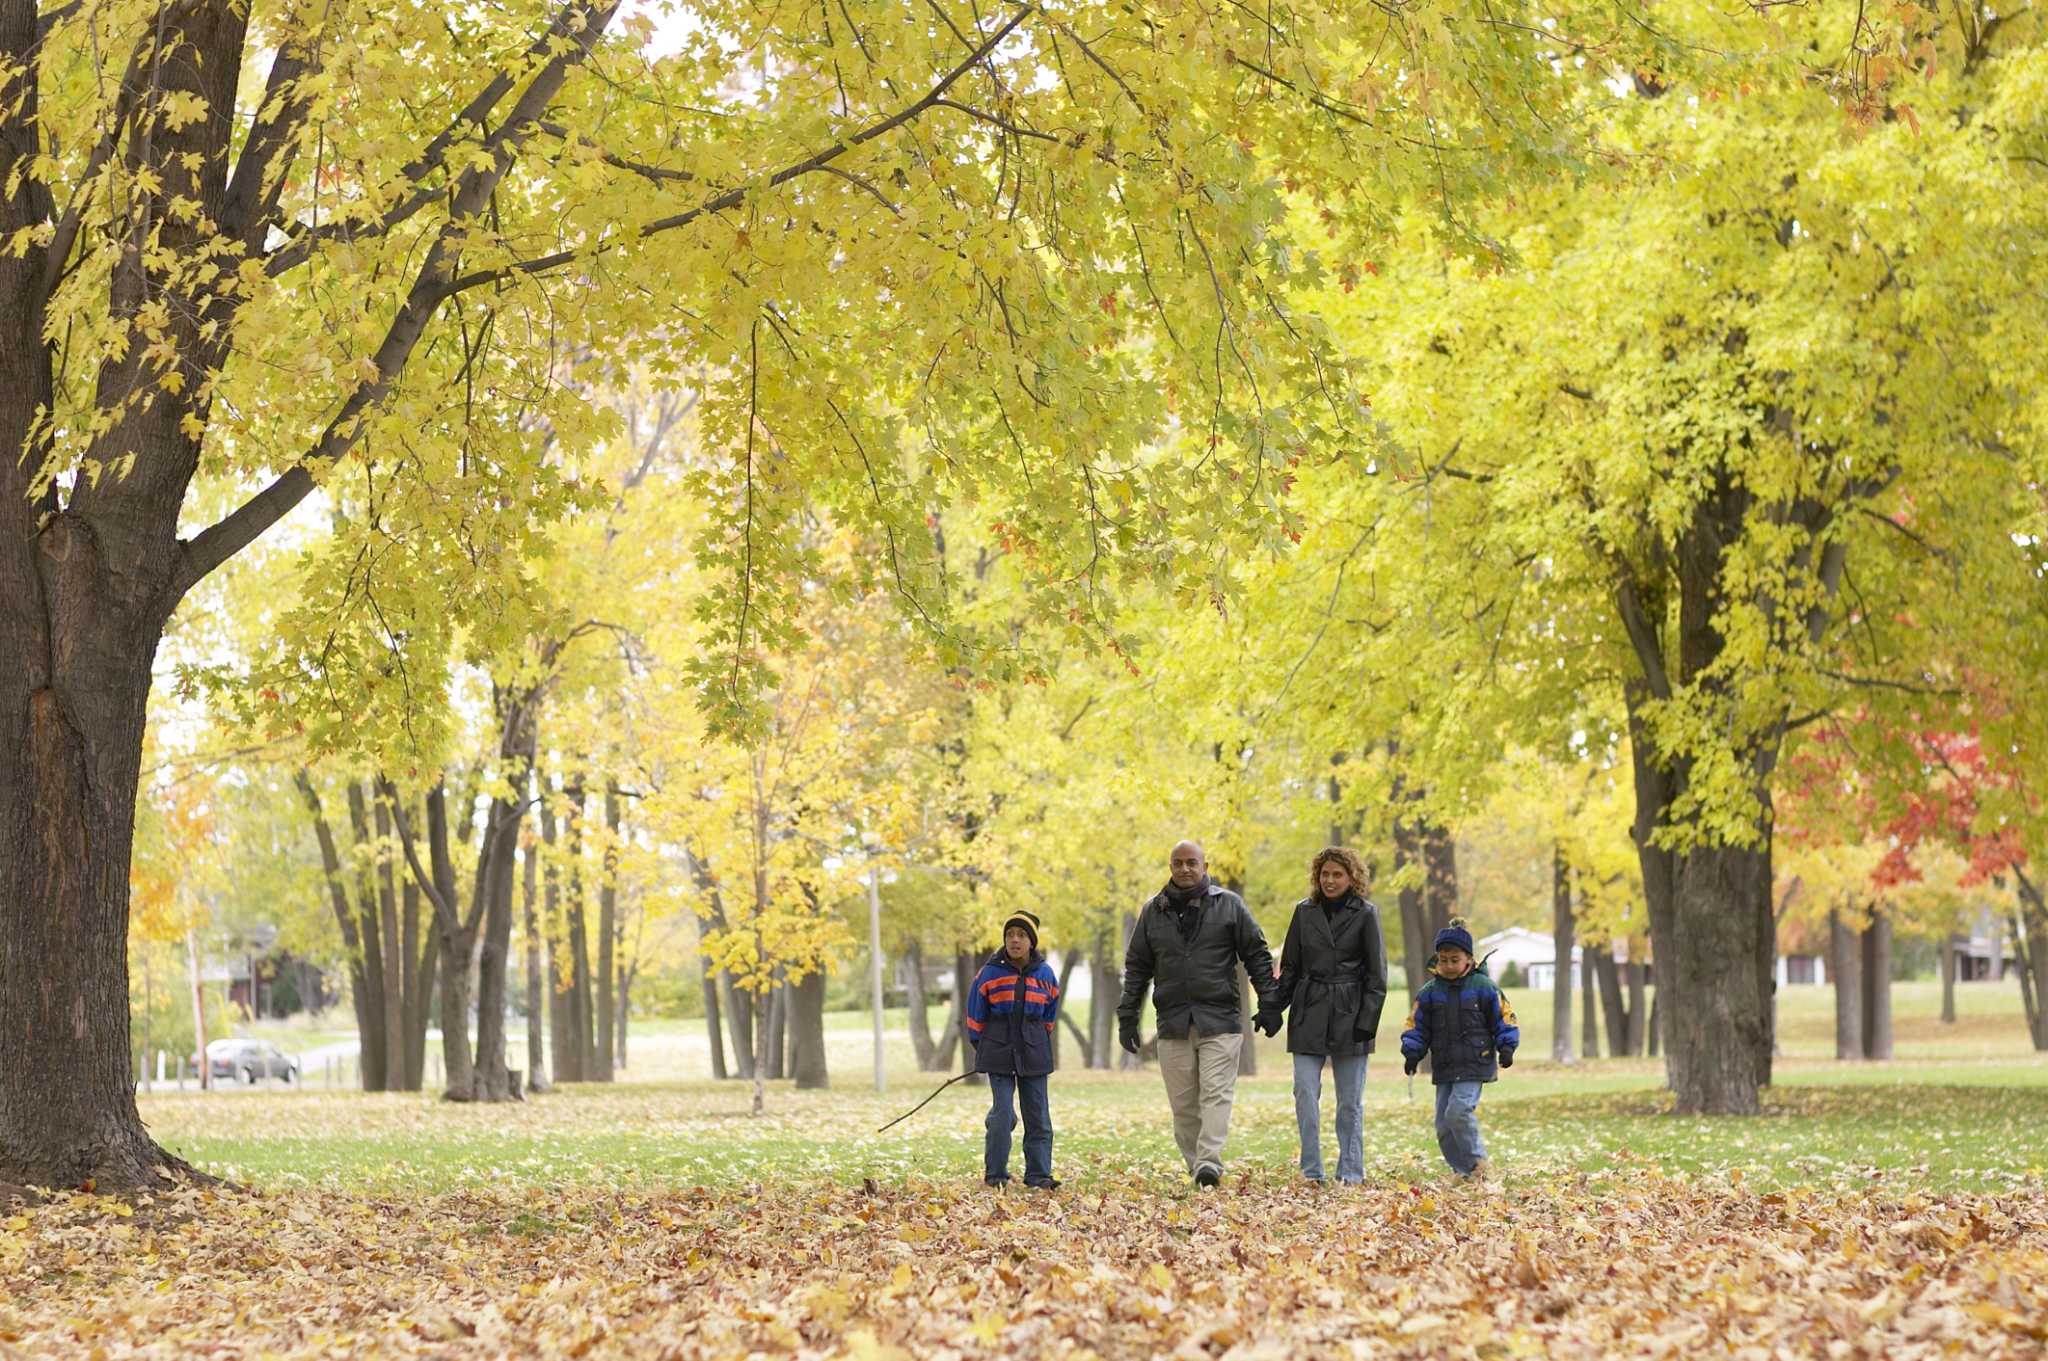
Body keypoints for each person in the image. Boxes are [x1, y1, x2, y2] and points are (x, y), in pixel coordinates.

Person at [1117, 840, 1279, 1188]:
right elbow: (1137, 968)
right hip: (1173, 1023)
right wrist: (1128, 1015)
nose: (1185, 869)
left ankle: (1209, 1164)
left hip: (1219, 1019)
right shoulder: (1152, 912)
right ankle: (1198, 1168)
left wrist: (1269, 1002)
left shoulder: (1230, 906)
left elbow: (1257, 954)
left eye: (1192, 862)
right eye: (1178, 863)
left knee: (1216, 1094)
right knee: (1184, 1105)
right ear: (1170, 867)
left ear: (1205, 866)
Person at [1264, 847, 1388, 1186]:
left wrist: (1368, 1021)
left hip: (1351, 1012)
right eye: (1324, 874)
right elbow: (1289, 968)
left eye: (1337, 874)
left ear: (1352, 877)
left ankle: (1350, 1171)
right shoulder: (1304, 913)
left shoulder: (1366, 913)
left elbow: (1377, 975)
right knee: (1304, 1093)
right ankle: (1311, 1171)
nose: (1330, 880)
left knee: (1349, 1102)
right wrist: (1273, 1009)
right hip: (1309, 1009)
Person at [1400, 918, 1519, 1180]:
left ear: (1468, 959)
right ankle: (1463, 1172)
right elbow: (1416, 1026)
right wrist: (1412, 1052)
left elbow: (1505, 1017)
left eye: (1455, 959)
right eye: (1443, 959)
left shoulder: (1484, 987)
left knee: (1458, 1111)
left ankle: (1478, 1163)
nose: (1449, 965)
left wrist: (1507, 1046)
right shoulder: (1429, 993)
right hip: (1445, 1066)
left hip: (1475, 1063)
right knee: (1443, 1125)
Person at [965, 909, 1062, 1189]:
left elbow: (1049, 1015)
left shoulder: (1045, 974)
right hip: (998, 1051)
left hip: (1034, 1052)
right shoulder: (989, 972)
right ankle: (995, 1174)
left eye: (1021, 935)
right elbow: (975, 1015)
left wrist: (1036, 1039)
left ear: (1031, 941)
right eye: (1010, 935)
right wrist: (985, 1045)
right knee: (1002, 1115)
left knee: (1038, 1117)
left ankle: (1039, 1175)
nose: (1015, 940)